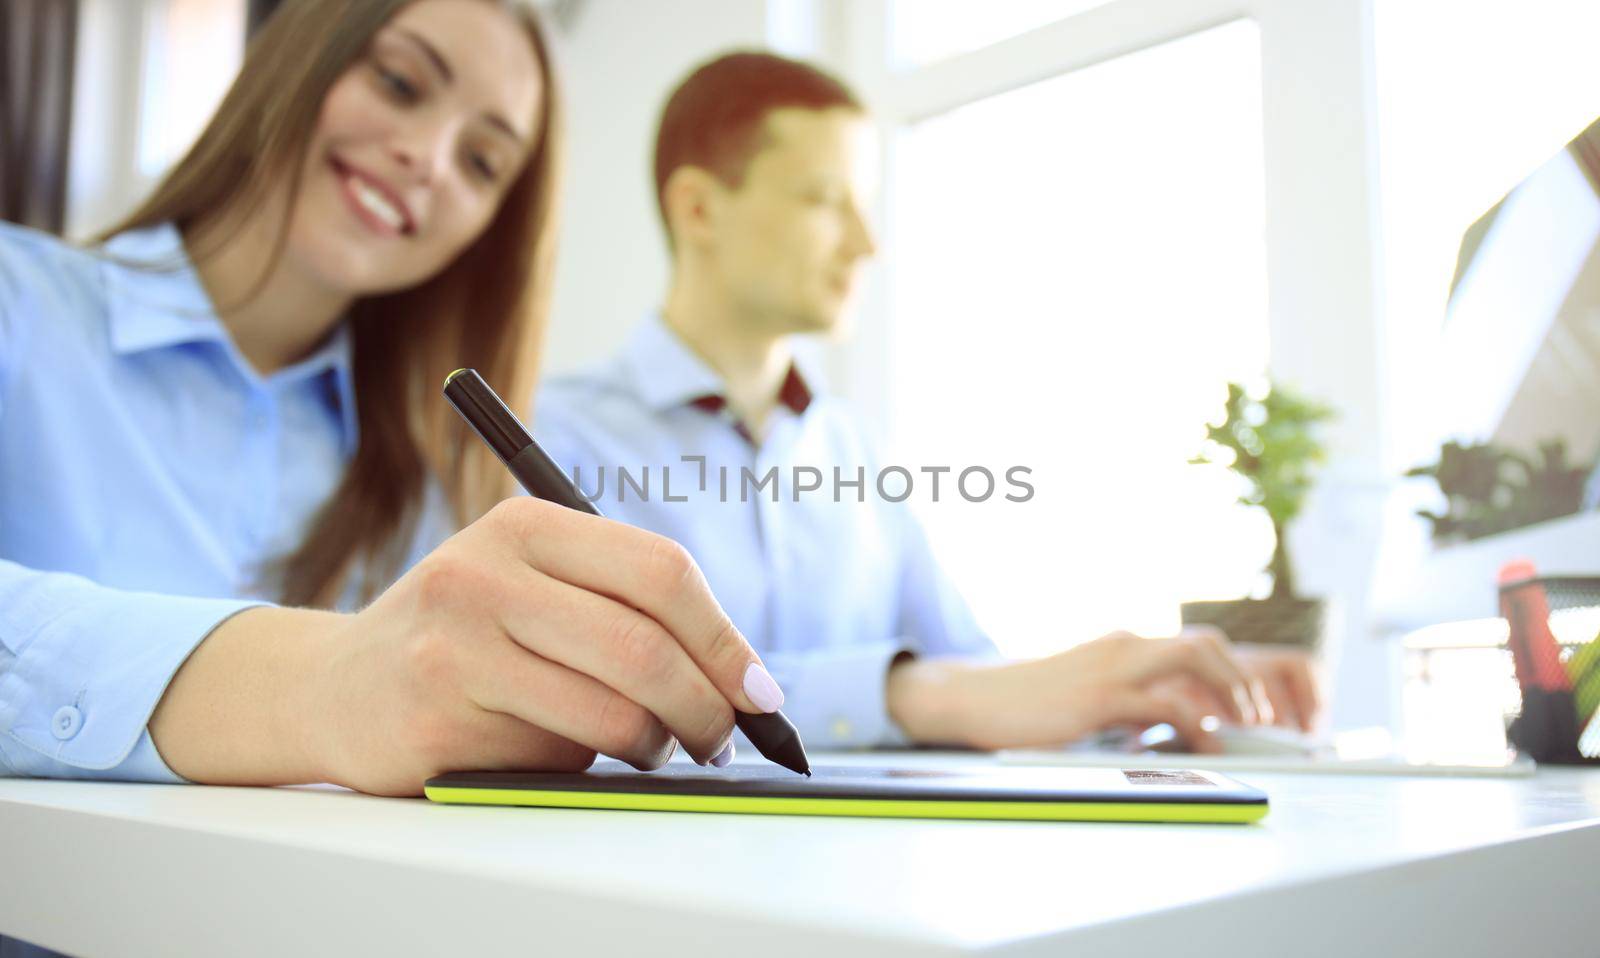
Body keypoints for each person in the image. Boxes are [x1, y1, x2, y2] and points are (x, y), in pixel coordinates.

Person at [0, 0, 785, 807]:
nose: (426, 158)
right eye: (400, 82)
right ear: (297, 58)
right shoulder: (17, 302)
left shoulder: (424, 486)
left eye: (481, 162)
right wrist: (313, 686)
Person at [534, 51, 1322, 754]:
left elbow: (967, 671)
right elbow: (592, 700)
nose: (866, 244)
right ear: (699, 209)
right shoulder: (549, 440)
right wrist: (912, 694)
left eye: (863, 203)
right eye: (822, 199)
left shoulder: (853, 445)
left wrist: (1137, 692)